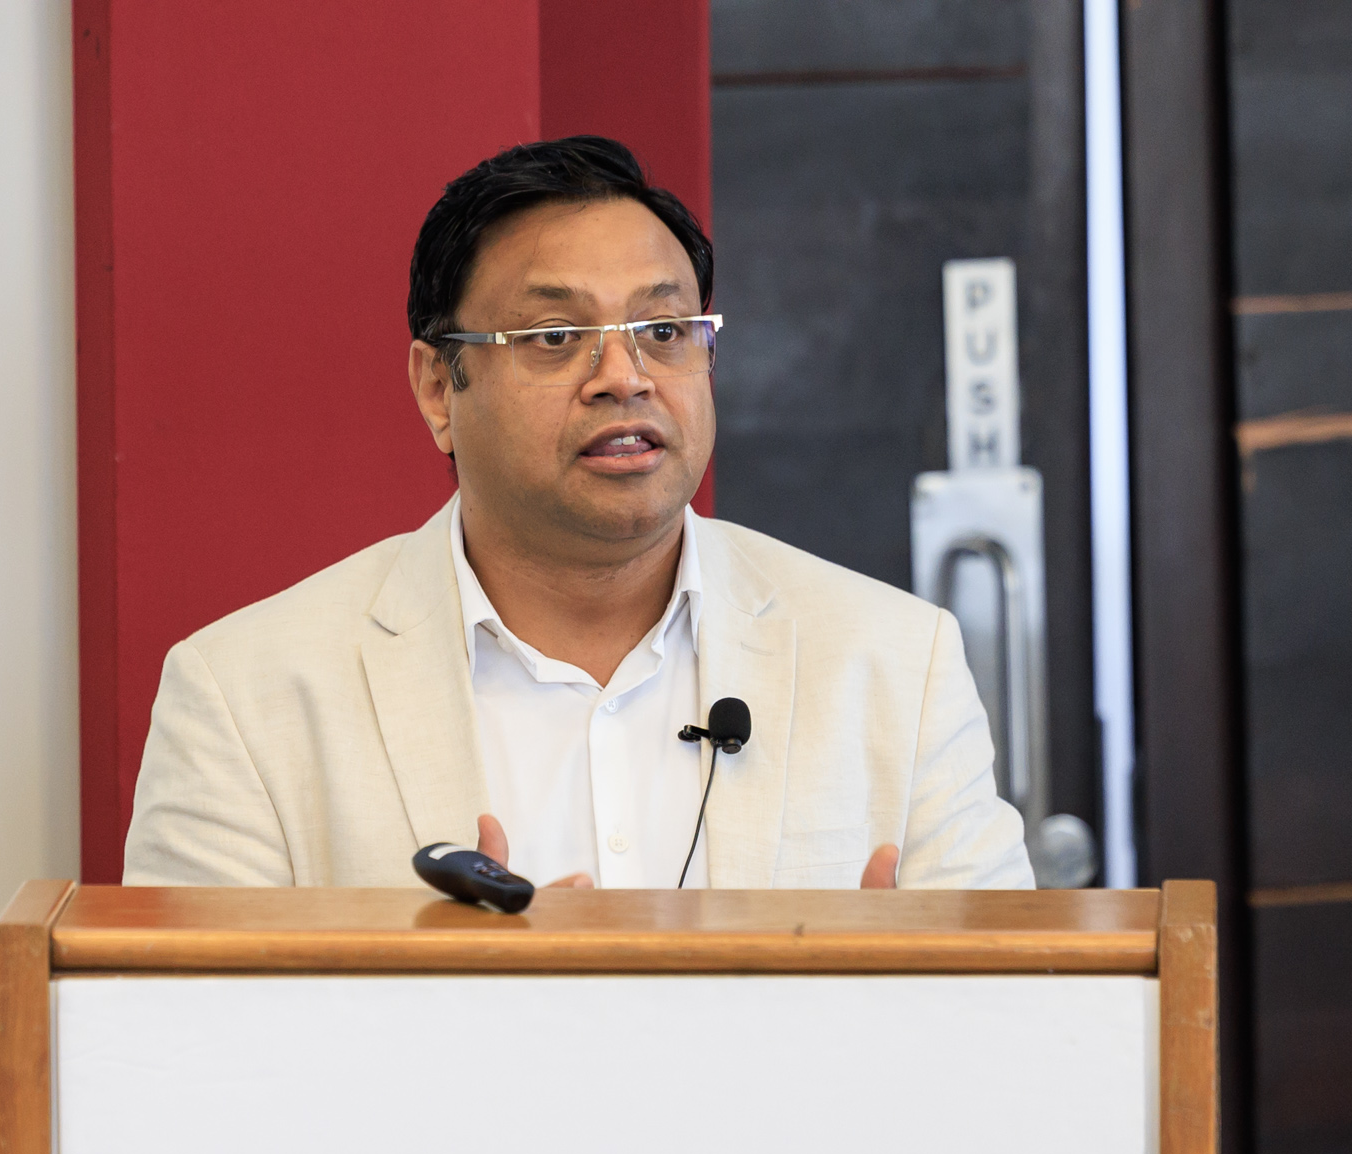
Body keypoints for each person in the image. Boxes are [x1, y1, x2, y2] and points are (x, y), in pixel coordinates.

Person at [124, 136, 1032, 891]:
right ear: (438, 386)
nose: (624, 377)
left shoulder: (896, 664)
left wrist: (882, 1002)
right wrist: (468, 1003)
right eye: (556, 337)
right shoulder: (245, 700)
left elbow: (1017, 1018)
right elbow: (187, 1042)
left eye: (663, 332)